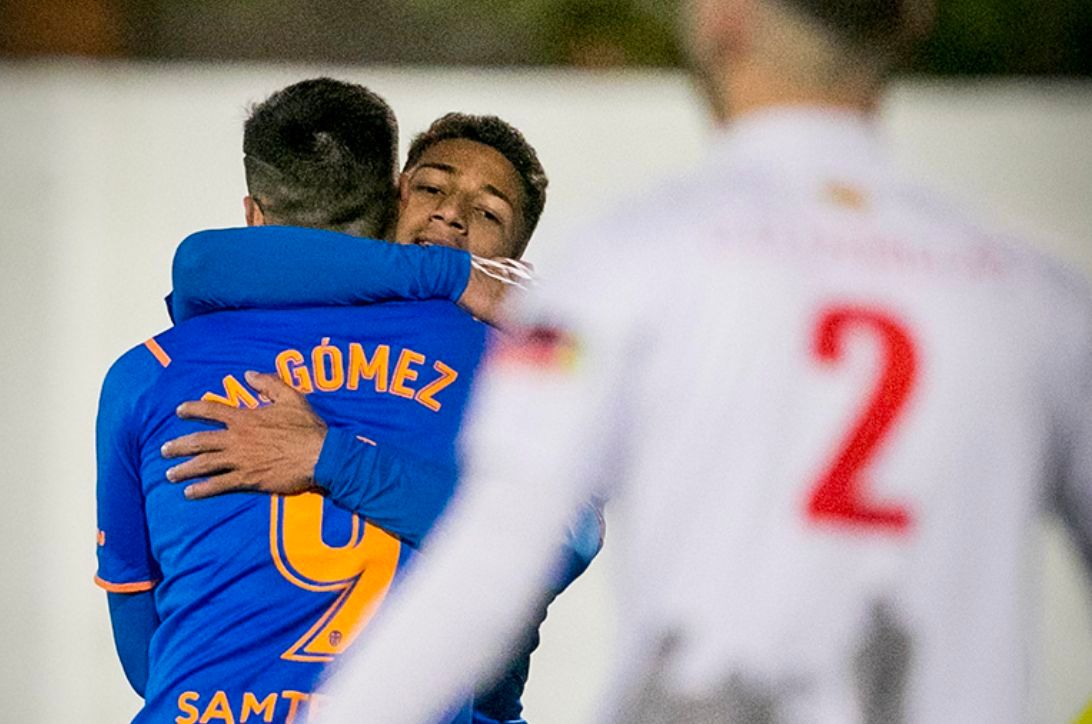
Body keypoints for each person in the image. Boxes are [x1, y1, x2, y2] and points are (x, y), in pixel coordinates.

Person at [307, 1, 1092, 723]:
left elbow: (491, 565)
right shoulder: (1037, 295)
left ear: (720, 20)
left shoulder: (626, 266)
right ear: (910, 22)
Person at [152, 112, 602, 721]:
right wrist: (452, 272)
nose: (451, 214)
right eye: (431, 188)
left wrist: (328, 458)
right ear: (392, 199)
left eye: (488, 212)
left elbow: (562, 538)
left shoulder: (531, 351)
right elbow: (202, 264)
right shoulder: (315, 305)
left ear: (514, 261)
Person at [95, 77, 498, 723]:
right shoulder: (485, 355)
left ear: (254, 215)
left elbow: (137, 622)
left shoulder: (148, 374)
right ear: (396, 197)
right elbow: (556, 541)